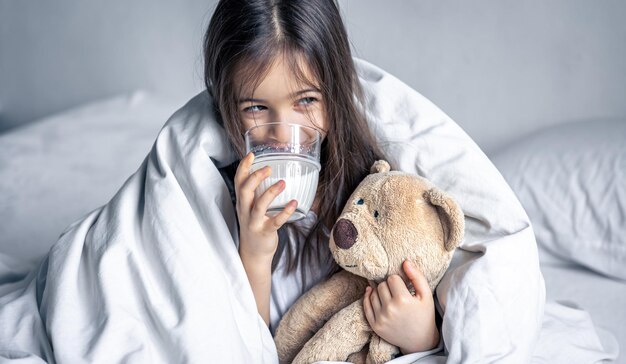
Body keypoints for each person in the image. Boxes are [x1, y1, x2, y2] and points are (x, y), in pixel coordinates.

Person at [203, 0, 440, 356]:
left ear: (335, 94)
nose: (284, 135)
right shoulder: (220, 202)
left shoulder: (374, 189)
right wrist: (254, 255)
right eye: (255, 107)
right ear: (227, 109)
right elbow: (246, 349)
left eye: (306, 100)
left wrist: (423, 337)